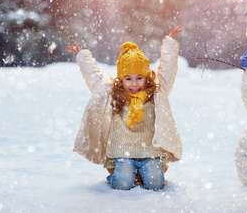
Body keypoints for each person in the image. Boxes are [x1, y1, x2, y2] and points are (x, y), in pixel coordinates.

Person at [65, 25, 183, 191]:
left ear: (146, 78)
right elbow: (94, 77)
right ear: (121, 80)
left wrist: (169, 43)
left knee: (156, 184)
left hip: (150, 154)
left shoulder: (155, 94)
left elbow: (168, 70)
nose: (134, 83)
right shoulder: (112, 94)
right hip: (123, 154)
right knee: (122, 183)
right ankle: (122, 175)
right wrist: (82, 55)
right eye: (128, 78)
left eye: (139, 78)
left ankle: (143, 172)